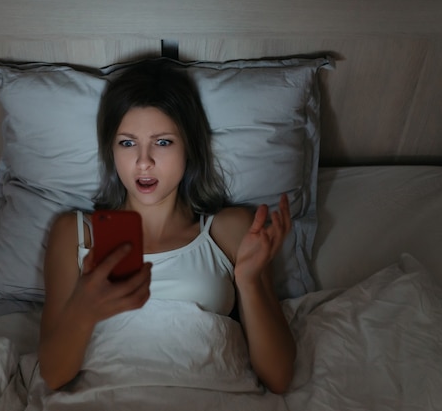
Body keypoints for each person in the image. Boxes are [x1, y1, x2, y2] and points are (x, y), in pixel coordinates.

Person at [38, 60, 296, 394]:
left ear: (189, 147)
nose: (144, 161)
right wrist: (84, 310)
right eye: (128, 143)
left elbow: (278, 378)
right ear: (111, 150)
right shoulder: (73, 233)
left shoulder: (229, 230)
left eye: (162, 142)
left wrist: (249, 282)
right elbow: (53, 375)